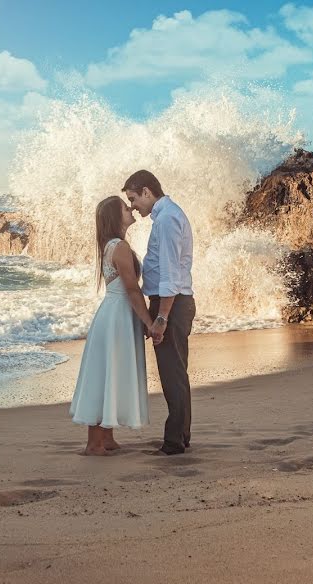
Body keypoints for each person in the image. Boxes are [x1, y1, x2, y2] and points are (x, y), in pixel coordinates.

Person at [69, 196, 153, 456]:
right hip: (117, 315)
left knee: (108, 371)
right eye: (125, 208)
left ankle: (106, 438)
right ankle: (94, 443)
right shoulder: (120, 247)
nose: (131, 210)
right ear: (116, 217)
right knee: (107, 372)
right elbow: (131, 289)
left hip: (113, 314)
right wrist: (149, 322)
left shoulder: (111, 245)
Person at [123, 170, 195, 456]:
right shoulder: (168, 215)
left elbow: (170, 274)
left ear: (147, 192)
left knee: (172, 374)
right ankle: (181, 436)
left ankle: (174, 442)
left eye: (133, 199)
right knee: (176, 373)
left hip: (172, 305)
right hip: (174, 303)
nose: (132, 206)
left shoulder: (166, 219)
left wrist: (161, 317)